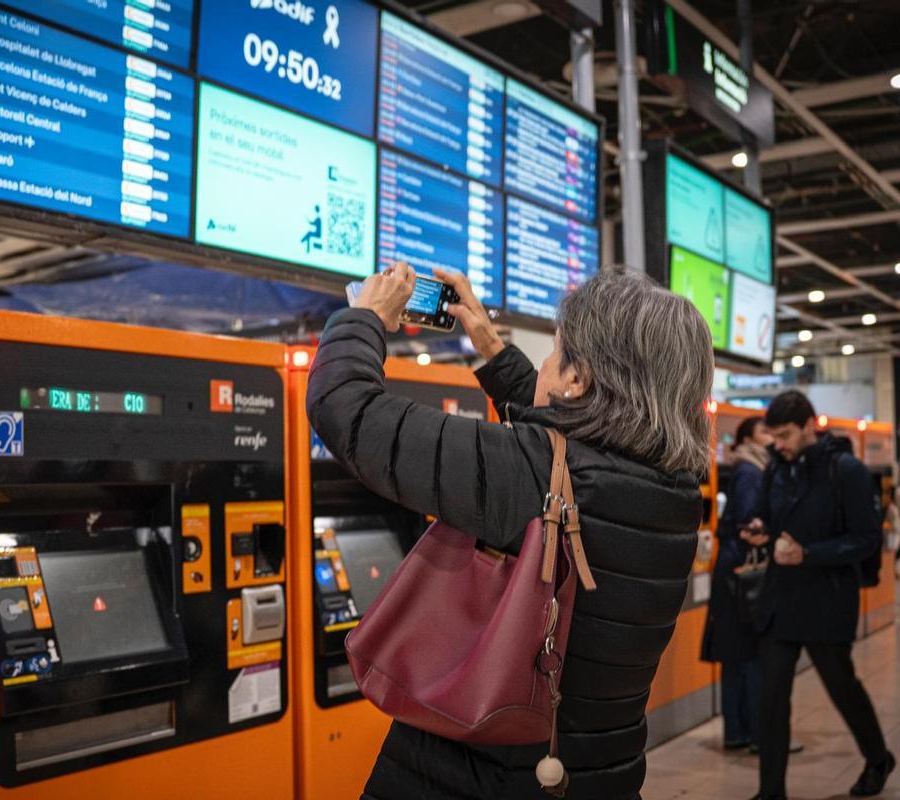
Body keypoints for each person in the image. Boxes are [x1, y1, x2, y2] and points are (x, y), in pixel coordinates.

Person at [307, 263, 714, 799]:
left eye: (555, 352)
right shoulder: (675, 491)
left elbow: (346, 408)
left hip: (477, 775)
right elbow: (562, 445)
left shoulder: (529, 475)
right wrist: (491, 346)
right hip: (597, 774)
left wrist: (365, 318)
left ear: (577, 379)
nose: (547, 364)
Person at [743, 390, 894, 799]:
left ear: (811, 425)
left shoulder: (846, 470)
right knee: (772, 699)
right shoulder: (777, 468)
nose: (780, 444)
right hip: (780, 600)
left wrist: (809, 554)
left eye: (787, 434)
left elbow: (865, 539)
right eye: (774, 436)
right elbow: (769, 517)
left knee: (841, 688)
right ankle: (770, 791)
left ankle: (878, 758)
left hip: (826, 600)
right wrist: (759, 526)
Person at [702, 416, 773, 751]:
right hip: (742, 575)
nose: (771, 437)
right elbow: (748, 521)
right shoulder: (750, 471)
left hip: (731, 572)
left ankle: (738, 732)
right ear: (748, 438)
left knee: (736, 656)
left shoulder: (748, 468)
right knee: (750, 656)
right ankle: (757, 734)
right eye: (765, 431)